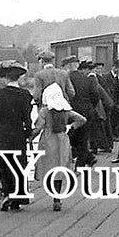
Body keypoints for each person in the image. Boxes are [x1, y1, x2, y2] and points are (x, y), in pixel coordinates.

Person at [0, 60, 34, 211]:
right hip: (18, 134)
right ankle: (18, 197)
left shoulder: (0, 95)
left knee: (4, 164)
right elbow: (27, 117)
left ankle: (8, 193)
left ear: (5, 78)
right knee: (19, 164)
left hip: (2, 134)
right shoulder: (26, 95)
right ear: (18, 78)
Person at [34, 83, 87, 211]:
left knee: (49, 167)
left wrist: (29, 137)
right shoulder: (66, 111)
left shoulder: (45, 111)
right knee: (60, 166)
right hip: (62, 140)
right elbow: (82, 119)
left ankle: (53, 193)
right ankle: (57, 199)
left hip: (48, 141)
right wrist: (70, 127)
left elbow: (38, 127)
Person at [67, 59, 100, 167]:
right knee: (83, 139)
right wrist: (90, 106)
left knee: (72, 138)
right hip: (87, 111)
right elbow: (95, 95)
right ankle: (85, 161)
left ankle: (87, 159)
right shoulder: (88, 79)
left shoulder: (67, 78)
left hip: (72, 112)